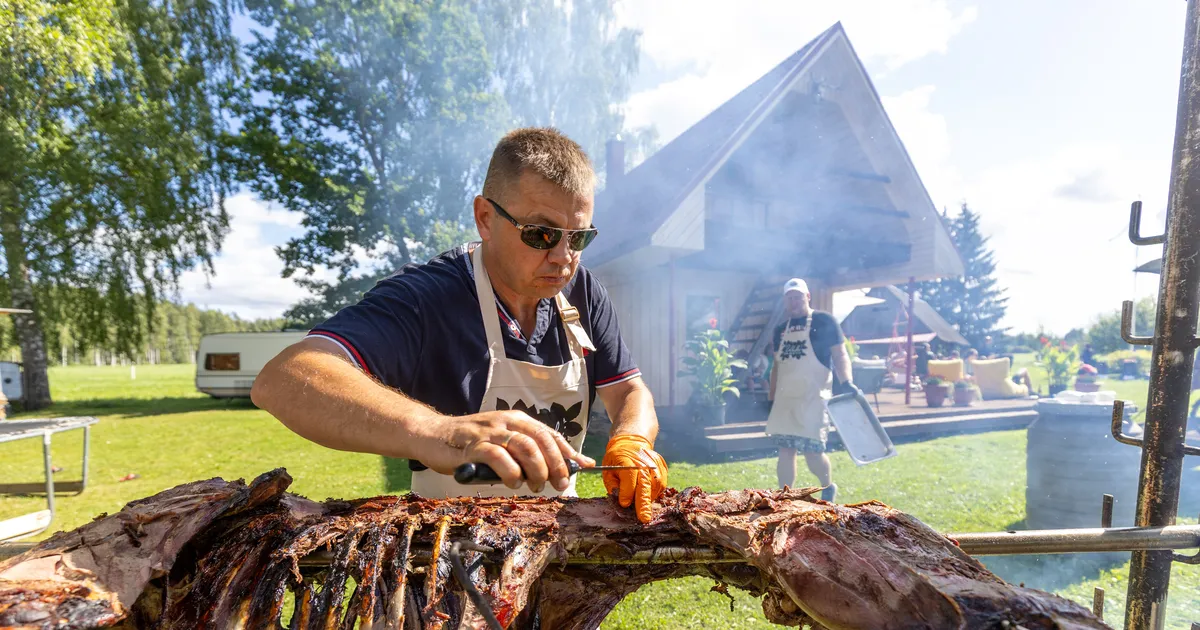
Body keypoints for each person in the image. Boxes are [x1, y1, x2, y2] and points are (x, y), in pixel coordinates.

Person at [251, 128, 667, 523]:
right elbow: (285, 377)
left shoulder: (583, 293)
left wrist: (632, 438)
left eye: (578, 238)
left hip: (560, 541)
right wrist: (437, 430)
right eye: (541, 234)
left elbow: (628, 390)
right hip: (446, 554)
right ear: (485, 217)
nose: (563, 258)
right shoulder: (427, 296)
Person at [766, 278, 855, 501]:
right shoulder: (779, 330)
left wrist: (847, 381)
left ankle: (827, 486)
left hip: (813, 399)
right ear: (785, 301)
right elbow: (776, 366)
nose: (794, 301)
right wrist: (771, 396)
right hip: (785, 400)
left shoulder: (824, 321)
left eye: (797, 296)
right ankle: (786, 496)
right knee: (785, 452)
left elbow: (840, 354)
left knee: (813, 452)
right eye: (789, 298)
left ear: (807, 297)